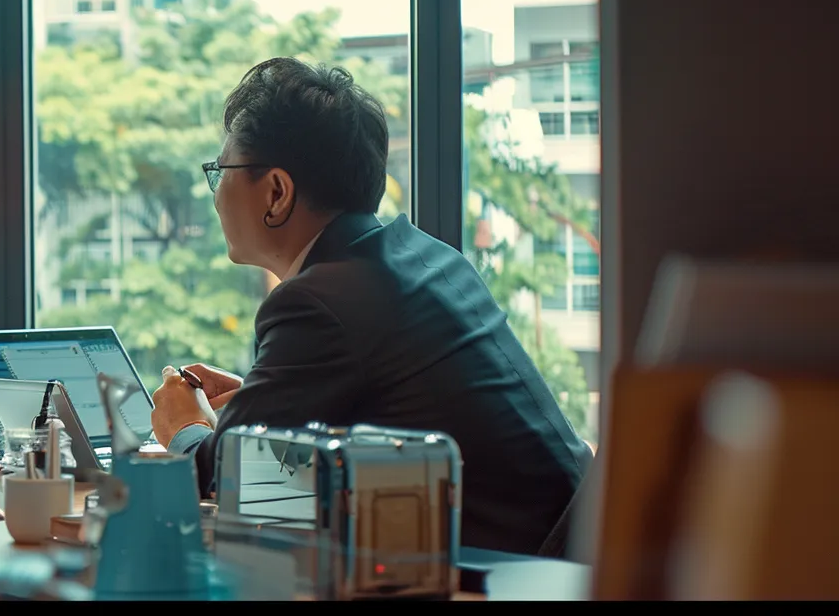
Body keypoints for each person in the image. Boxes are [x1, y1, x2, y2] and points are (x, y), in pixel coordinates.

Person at [147, 57, 594, 555]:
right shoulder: (424, 257)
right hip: (576, 555)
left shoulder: (318, 303)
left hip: (508, 575)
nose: (215, 196)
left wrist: (185, 430)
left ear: (276, 192)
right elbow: (343, 449)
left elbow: (237, 484)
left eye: (221, 171)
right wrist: (262, 397)